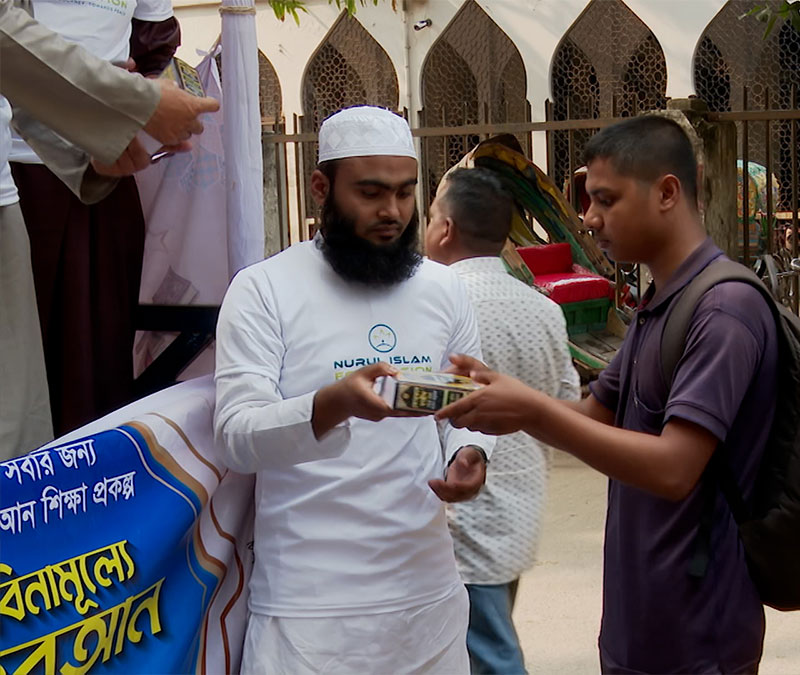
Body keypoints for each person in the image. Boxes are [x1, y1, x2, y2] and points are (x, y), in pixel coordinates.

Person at [438, 115, 778, 674]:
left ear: (667, 192)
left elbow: (674, 467)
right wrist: (503, 400)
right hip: (640, 616)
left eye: (605, 200)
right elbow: (593, 415)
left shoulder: (722, 311)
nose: (588, 220)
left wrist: (529, 406)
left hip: (698, 631)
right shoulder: (660, 303)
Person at [213, 105, 494, 674]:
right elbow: (235, 436)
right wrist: (333, 403)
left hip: (427, 601)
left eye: (405, 192)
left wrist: (469, 453)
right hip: (309, 614)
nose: (391, 212)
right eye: (370, 193)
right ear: (321, 187)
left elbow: (466, 406)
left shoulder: (444, 290)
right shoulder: (264, 290)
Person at [0, 0, 217, 460]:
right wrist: (127, 106)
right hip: (25, 175)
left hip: (40, 172)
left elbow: (16, 65)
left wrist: (95, 138)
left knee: (30, 410)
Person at [424, 166, 581, 674]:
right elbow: (565, 403)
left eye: (428, 217)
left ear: (444, 229)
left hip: (458, 511)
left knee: (489, 653)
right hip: (520, 509)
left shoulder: (432, 305)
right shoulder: (543, 309)